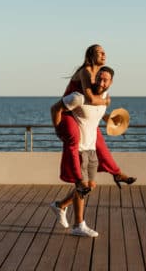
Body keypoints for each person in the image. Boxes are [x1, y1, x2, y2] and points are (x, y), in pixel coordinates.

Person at [52, 44, 136, 188]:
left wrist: (107, 117)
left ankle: (116, 173)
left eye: (104, 52)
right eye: (99, 52)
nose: (104, 54)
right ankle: (78, 179)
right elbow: (90, 99)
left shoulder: (100, 76)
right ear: (91, 55)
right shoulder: (86, 71)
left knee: (100, 145)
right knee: (74, 140)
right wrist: (106, 101)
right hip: (68, 113)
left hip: (83, 114)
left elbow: (93, 107)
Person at [50, 66, 115, 237]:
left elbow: (96, 116)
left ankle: (60, 205)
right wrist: (59, 130)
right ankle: (79, 225)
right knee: (82, 186)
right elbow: (55, 109)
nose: (101, 82)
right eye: (99, 78)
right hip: (78, 149)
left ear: (111, 82)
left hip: (91, 148)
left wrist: (112, 120)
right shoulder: (79, 97)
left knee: (90, 186)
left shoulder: (104, 99)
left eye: (105, 79)